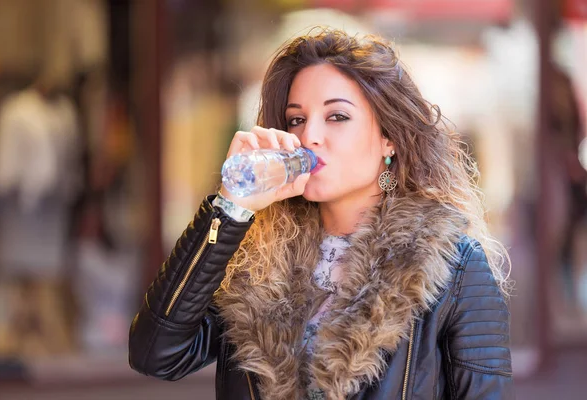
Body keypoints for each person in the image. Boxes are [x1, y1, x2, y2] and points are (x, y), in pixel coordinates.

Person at [129, 29, 514, 399]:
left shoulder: (456, 268)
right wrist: (230, 208)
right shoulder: (256, 263)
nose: (309, 135)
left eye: (337, 117)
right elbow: (156, 355)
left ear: (389, 138)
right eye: (297, 119)